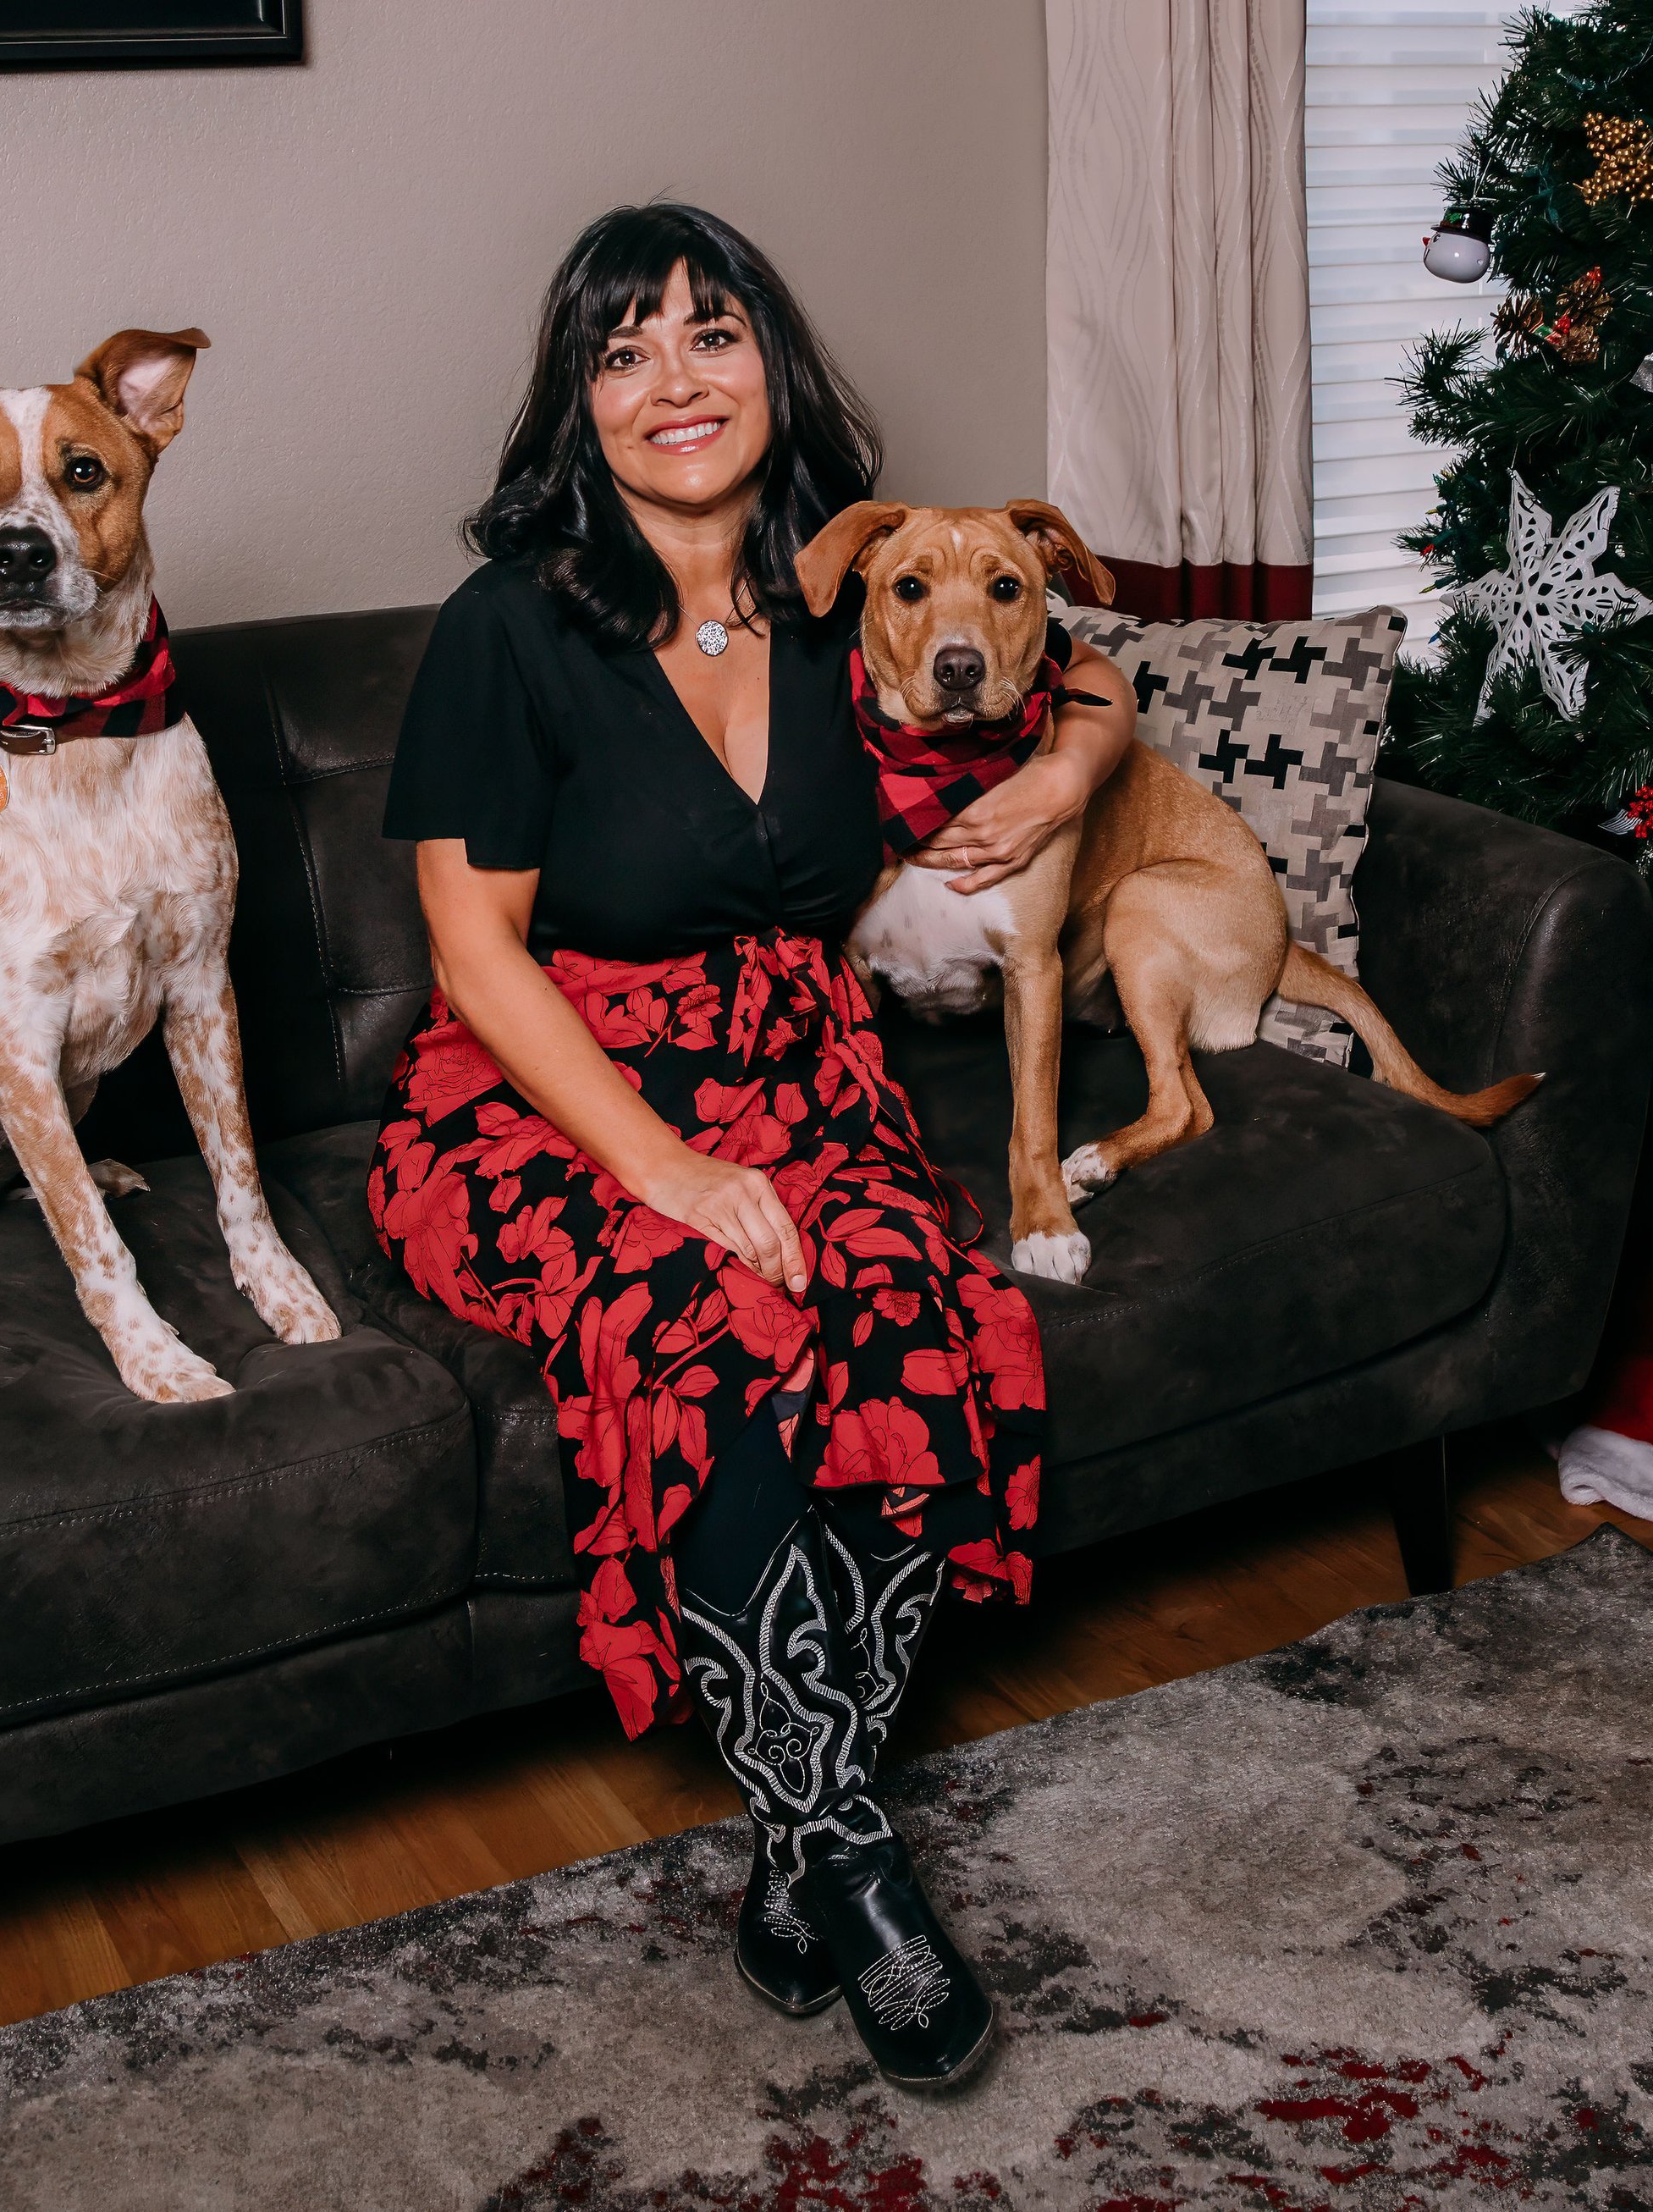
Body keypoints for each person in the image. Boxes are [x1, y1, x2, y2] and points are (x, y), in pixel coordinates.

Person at [368, 202, 1132, 2088]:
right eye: (620, 352)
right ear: (578, 402)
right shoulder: (508, 627)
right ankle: (857, 1867)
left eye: (709, 333)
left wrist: (1066, 765)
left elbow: (1081, 658)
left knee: (905, 1311)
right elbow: (473, 952)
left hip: (807, 1075)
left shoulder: (849, 593)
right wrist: (663, 1168)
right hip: (553, 1096)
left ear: (772, 363)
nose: (672, 381)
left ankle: (791, 1849)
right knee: (708, 1325)